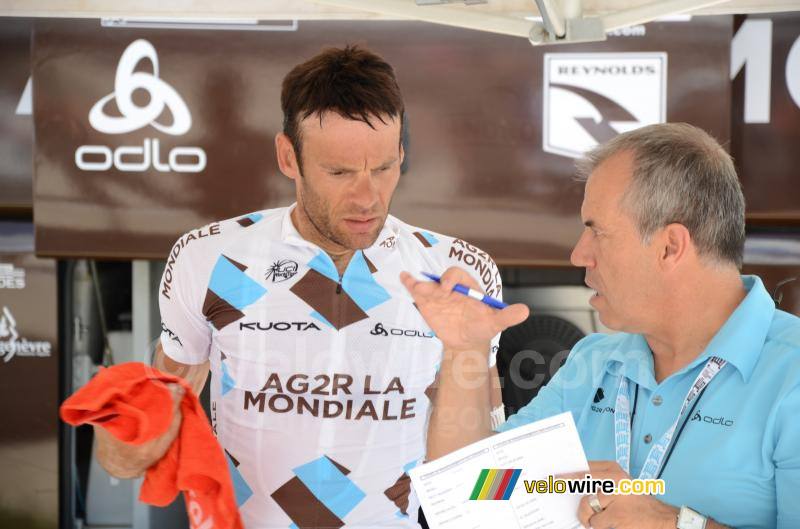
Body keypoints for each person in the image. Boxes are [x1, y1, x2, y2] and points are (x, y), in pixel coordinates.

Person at [93, 45, 507, 529]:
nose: (367, 196)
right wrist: (125, 431)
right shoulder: (209, 258)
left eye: (384, 168)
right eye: (340, 172)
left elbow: (483, 462)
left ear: (401, 155)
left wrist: (584, 487)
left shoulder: (454, 270)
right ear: (289, 157)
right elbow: (144, 433)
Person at [402, 123, 800, 529]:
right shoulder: (593, 362)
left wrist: (674, 524)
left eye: (597, 231)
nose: (578, 254)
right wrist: (465, 349)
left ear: (670, 247)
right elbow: (472, 491)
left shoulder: (792, 374)